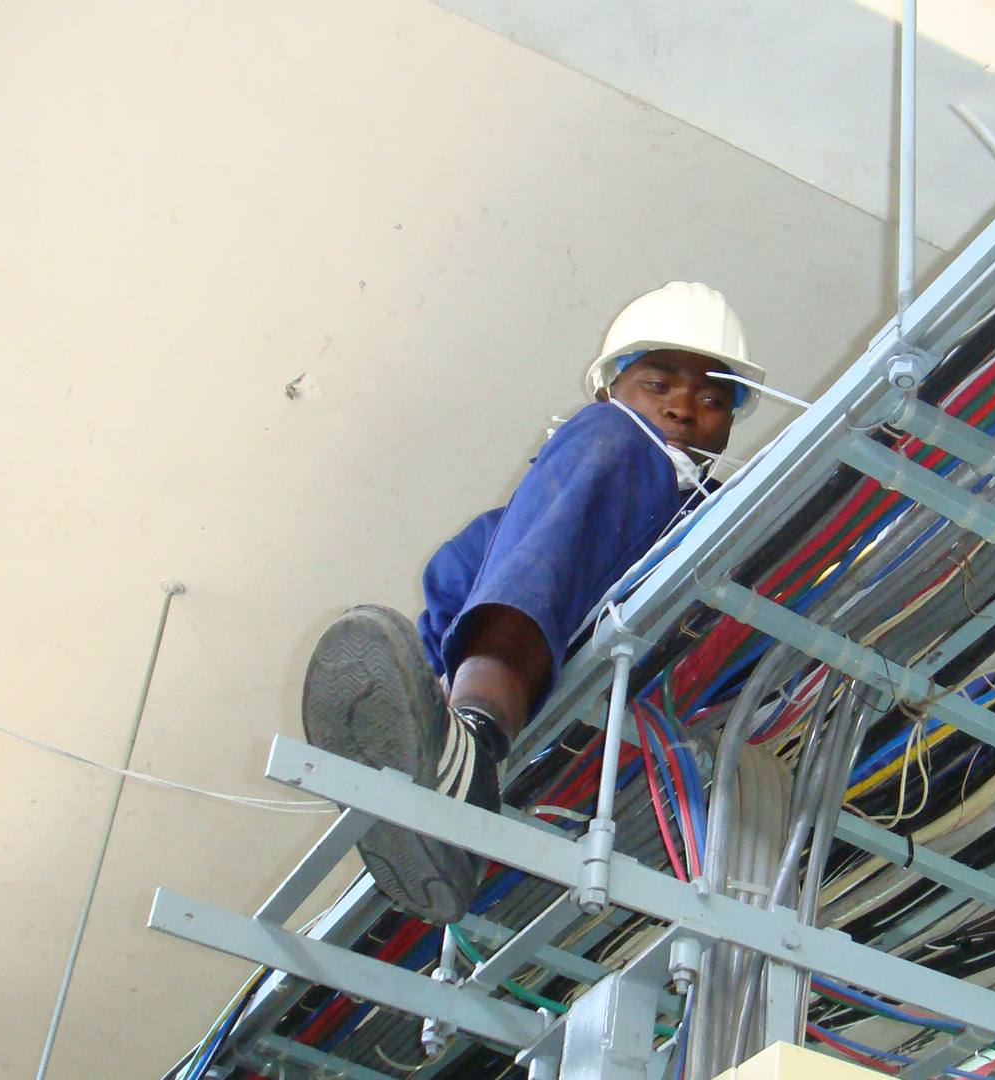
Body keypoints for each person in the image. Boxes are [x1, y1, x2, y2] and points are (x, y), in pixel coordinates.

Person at [299, 282, 763, 923]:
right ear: (611, 389)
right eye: (657, 386)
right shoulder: (503, 534)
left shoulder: (730, 521)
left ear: (731, 426)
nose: (685, 409)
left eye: (713, 400)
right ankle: (436, 740)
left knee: (604, 443)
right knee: (478, 554)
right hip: (538, 684)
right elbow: (458, 591)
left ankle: (472, 750)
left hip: (651, 687)